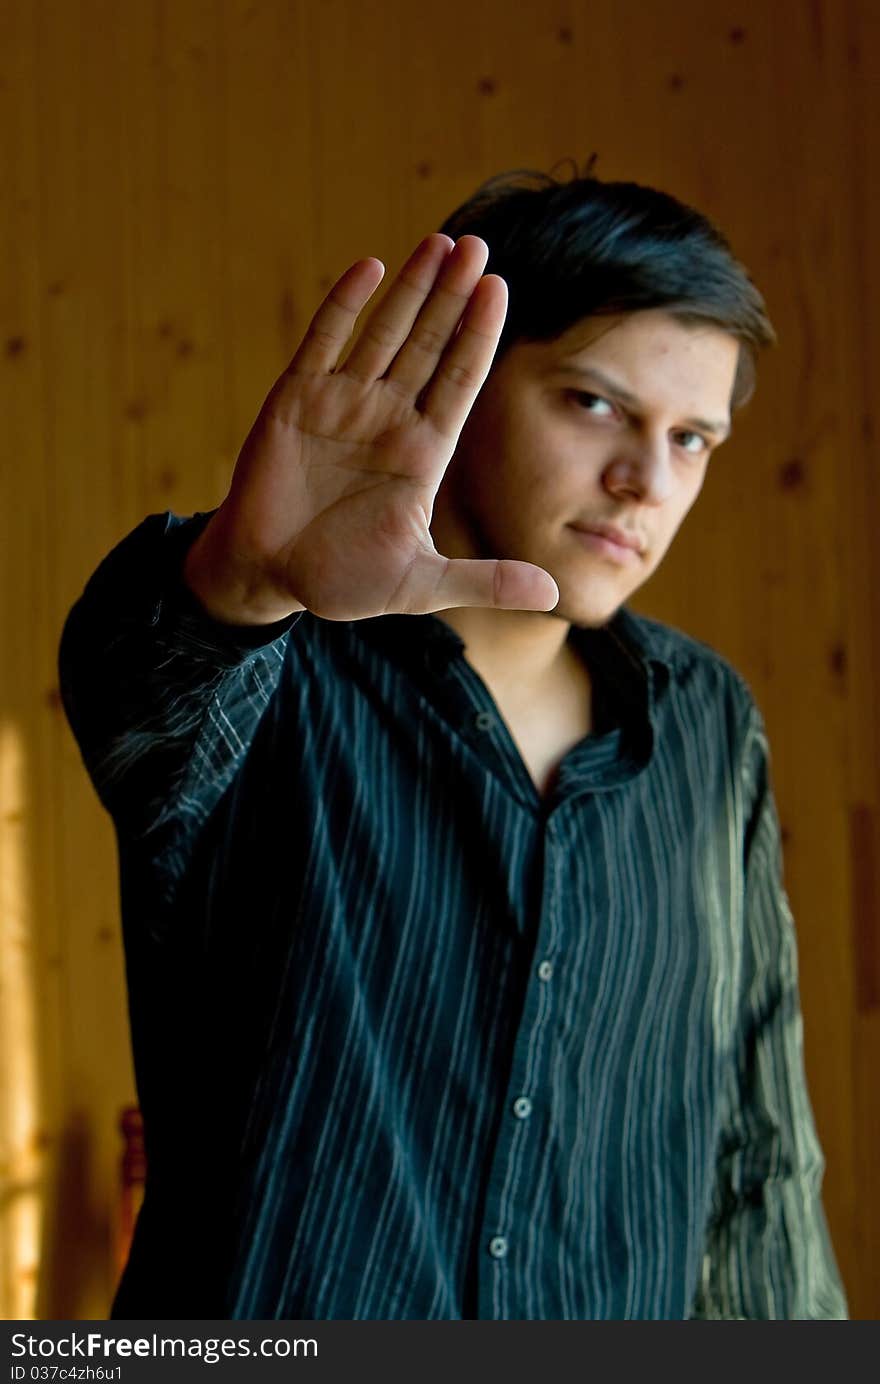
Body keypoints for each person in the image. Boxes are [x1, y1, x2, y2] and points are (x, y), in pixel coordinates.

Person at [58, 168, 848, 1319]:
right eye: (592, 404)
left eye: (693, 439)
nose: (646, 482)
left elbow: (757, 1146)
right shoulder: (274, 656)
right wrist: (241, 575)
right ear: (461, 385)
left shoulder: (707, 722)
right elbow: (135, 692)